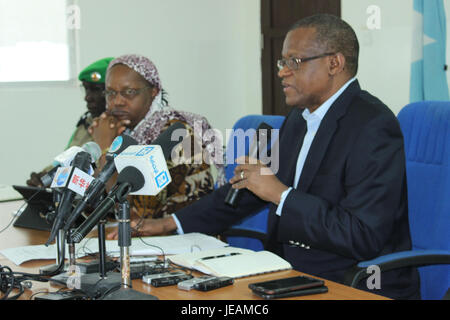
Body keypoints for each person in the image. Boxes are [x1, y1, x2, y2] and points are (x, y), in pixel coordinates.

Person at [113, 15, 421, 300]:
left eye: (294, 61)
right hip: (287, 272)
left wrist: (280, 193)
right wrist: (168, 223)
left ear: (334, 63)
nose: (282, 72)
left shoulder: (373, 125)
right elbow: (247, 191)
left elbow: (361, 235)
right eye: (282, 61)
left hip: (353, 280)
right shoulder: (300, 118)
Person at [90, 54, 225, 221]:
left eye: (129, 92)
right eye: (110, 93)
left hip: (184, 240)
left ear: (153, 92)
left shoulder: (176, 135)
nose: (117, 101)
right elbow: (93, 200)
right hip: (145, 239)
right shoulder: (123, 132)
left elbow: (134, 213)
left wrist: (106, 149)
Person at [26, 57, 114, 187]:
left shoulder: (118, 128)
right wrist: (45, 177)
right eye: (86, 89)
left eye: (95, 89)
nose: (87, 97)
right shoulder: (86, 123)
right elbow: (69, 160)